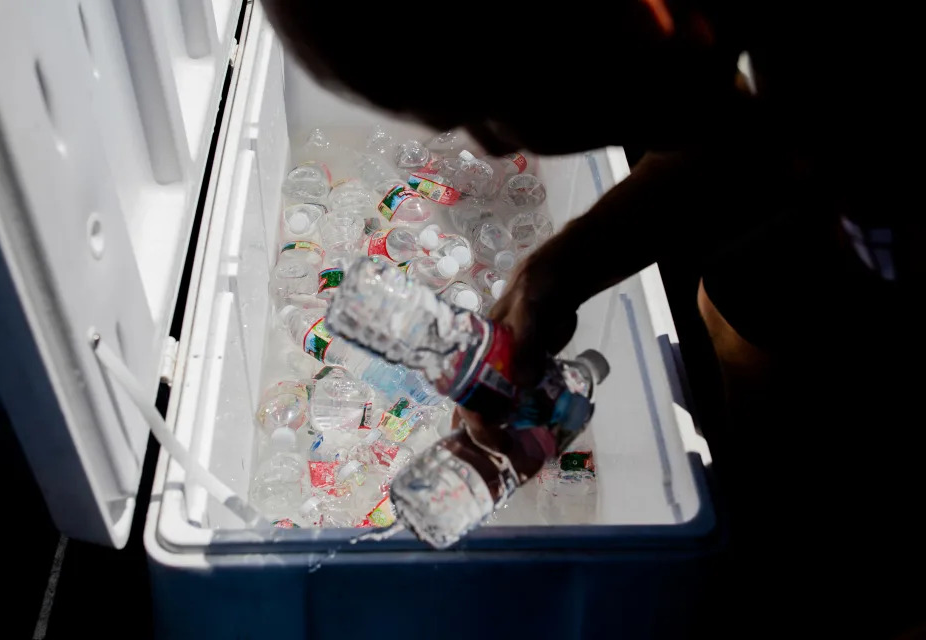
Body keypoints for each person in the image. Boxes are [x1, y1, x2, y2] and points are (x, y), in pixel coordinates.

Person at [264, 0, 924, 635]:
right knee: (743, 292)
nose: (492, 149)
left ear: (642, 17)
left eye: (493, 110)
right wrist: (554, 276)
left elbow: (793, 141)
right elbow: (765, 140)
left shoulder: (868, 112)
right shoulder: (770, 64)